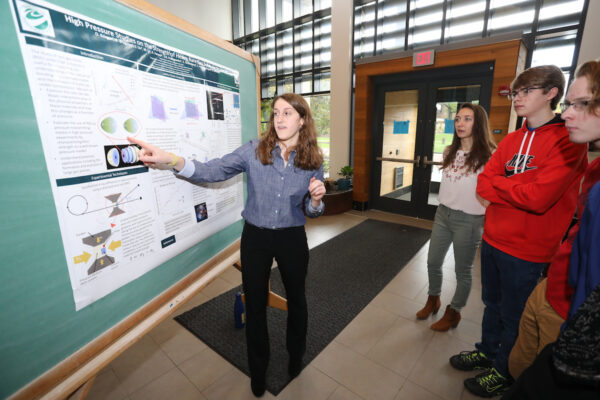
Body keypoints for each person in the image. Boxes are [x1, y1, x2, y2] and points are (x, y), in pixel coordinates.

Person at [128, 93, 326, 398]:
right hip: (256, 238)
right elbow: (213, 170)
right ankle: (258, 372)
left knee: (297, 300)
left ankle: (295, 356)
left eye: (288, 113)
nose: (280, 118)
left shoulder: (313, 160)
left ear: (302, 119)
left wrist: (315, 201)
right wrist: (172, 160)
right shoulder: (255, 150)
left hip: (291, 237)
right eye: (276, 113)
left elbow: (311, 210)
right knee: (256, 305)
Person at [449, 65, 588, 398]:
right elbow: (485, 184)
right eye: (515, 92)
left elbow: (539, 199)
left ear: (553, 93)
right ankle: (486, 350)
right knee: (491, 304)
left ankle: (503, 370)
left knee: (514, 315)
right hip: (494, 239)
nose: (517, 98)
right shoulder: (512, 139)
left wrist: (505, 186)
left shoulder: (569, 141)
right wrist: (519, 185)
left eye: (526, 91)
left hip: (528, 250)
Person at [508, 60, 600, 381]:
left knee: (543, 378)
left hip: (569, 308)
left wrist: (577, 333)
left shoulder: (568, 148)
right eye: (570, 104)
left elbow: (537, 197)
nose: (568, 114)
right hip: (552, 286)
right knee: (519, 362)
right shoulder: (595, 169)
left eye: (583, 104)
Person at [416, 103, 496, 332]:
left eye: (467, 119)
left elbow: (494, 190)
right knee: (432, 262)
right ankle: (433, 300)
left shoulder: (490, 155)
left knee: (462, 270)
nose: (460, 123)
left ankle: (455, 311)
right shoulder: (450, 151)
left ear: (478, 123)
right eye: (458, 118)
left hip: (469, 220)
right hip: (443, 213)